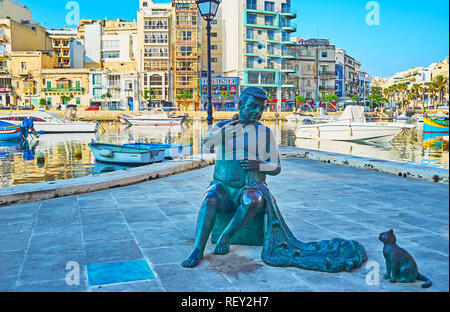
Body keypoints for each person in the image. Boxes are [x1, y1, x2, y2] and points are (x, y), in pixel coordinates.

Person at [182, 87, 281, 268]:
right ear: (240, 105)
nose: (257, 112)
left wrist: (258, 164)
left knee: (252, 201)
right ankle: (198, 249)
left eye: (261, 108)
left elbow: (276, 168)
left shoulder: (265, 132)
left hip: (249, 187)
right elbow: (207, 144)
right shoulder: (223, 127)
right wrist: (228, 128)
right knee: (209, 198)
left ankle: (225, 237)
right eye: (252, 107)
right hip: (223, 187)